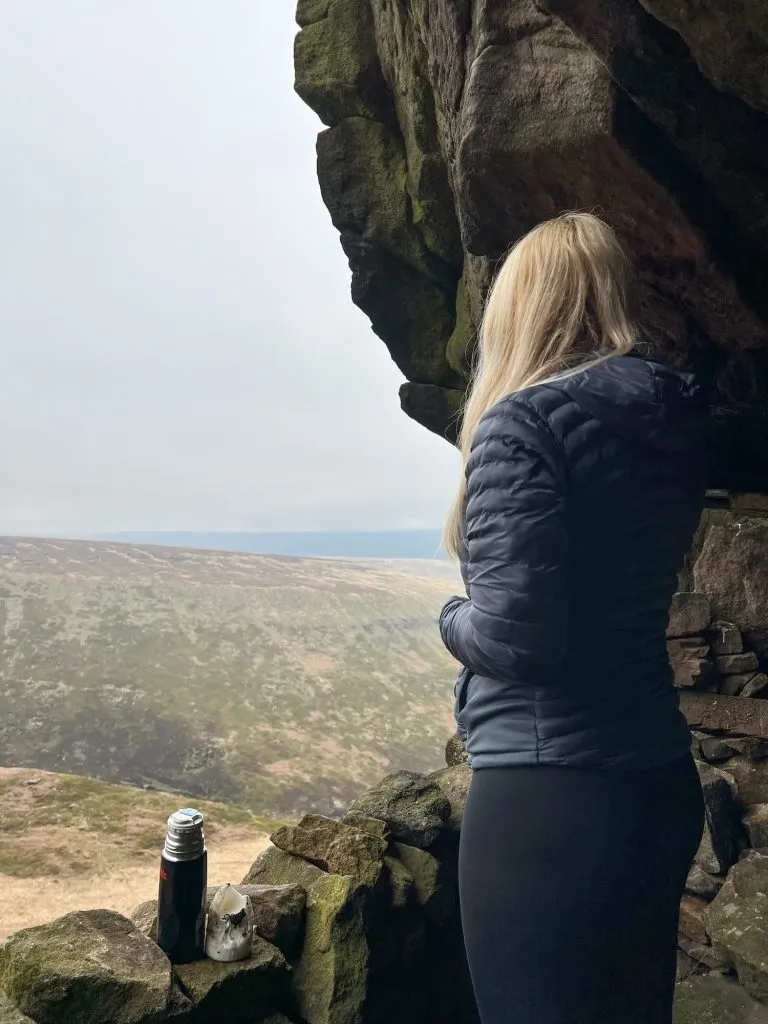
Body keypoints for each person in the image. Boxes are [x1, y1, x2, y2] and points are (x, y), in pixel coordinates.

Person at [439, 212, 707, 1024]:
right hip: (655, 777)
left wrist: (449, 616)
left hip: (547, 801)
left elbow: (517, 640)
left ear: (518, 311)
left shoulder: (520, 425)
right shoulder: (674, 421)